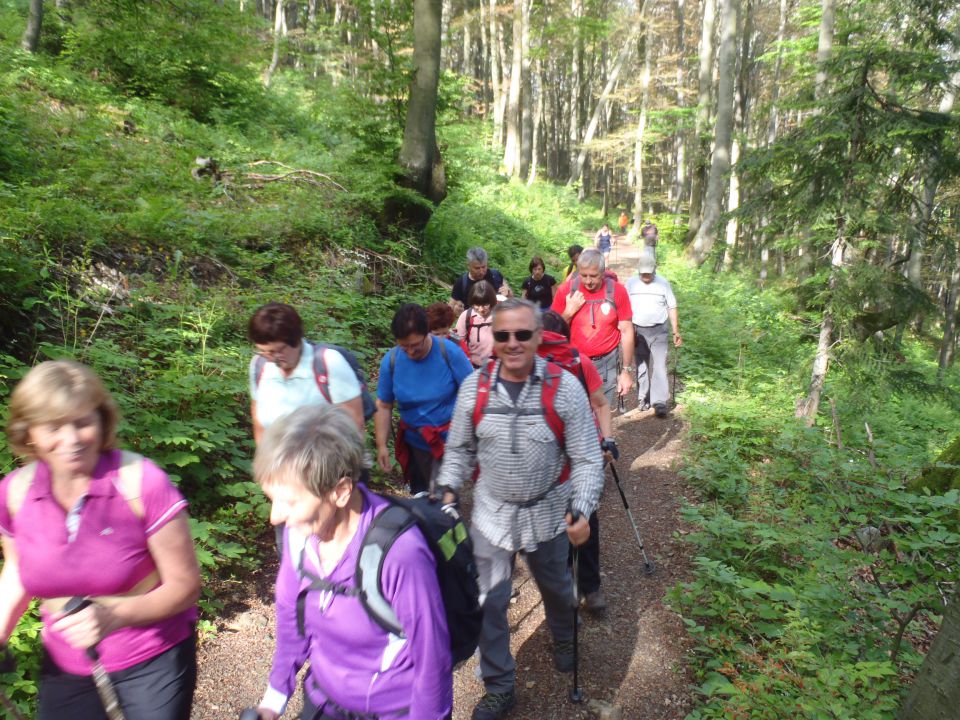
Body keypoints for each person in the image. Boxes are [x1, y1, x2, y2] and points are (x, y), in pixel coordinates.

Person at [0, 360, 200, 720]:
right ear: (29, 432)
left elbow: (185, 587)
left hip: (152, 659)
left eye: (83, 422)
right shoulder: (15, 494)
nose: (72, 440)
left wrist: (115, 616)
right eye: (54, 427)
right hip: (65, 667)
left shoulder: (142, 483)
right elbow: (17, 569)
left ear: (102, 421)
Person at [435, 299, 604, 720]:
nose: (512, 344)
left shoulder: (564, 387)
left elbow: (586, 458)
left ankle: (564, 634)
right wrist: (449, 488)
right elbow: (457, 448)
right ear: (493, 335)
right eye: (503, 334)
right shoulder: (474, 387)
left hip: (548, 512)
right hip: (491, 514)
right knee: (488, 601)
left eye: (522, 335)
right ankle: (499, 684)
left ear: (539, 337)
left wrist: (581, 508)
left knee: (558, 589)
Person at [250, 404, 452, 720]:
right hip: (324, 702)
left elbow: (432, 657)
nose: (275, 516)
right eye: (271, 498)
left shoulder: (399, 553)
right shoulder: (299, 535)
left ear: (341, 492)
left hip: (393, 711)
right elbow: (292, 619)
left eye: (289, 502)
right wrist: (274, 699)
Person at [538, 311, 616, 615]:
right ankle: (564, 586)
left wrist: (607, 440)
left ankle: (589, 587)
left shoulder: (579, 363)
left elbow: (600, 403)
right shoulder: (524, 367)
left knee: (586, 519)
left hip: (581, 451)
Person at [375, 304, 474, 494]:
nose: (410, 352)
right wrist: (382, 446)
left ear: (427, 333)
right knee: (420, 499)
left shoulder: (449, 353)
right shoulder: (392, 361)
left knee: (443, 502)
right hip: (415, 445)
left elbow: (473, 394)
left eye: (415, 345)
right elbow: (384, 405)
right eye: (404, 347)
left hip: (448, 444)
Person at [248, 303, 365, 443]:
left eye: (277, 351)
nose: (271, 358)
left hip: (326, 461)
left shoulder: (329, 363)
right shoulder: (259, 365)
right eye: (263, 351)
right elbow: (259, 425)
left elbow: (354, 424)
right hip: (277, 462)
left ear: (296, 340)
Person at [551, 248, 635, 409]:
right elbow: (551, 332)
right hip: (572, 363)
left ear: (603, 273)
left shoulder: (617, 291)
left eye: (593, 276)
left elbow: (626, 331)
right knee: (573, 414)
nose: (588, 281)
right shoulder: (565, 291)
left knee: (600, 413)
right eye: (583, 275)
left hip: (605, 364)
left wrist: (626, 371)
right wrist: (569, 312)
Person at [625, 250, 682, 418]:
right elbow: (624, 306)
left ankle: (659, 402)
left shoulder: (663, 283)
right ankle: (643, 398)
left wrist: (676, 330)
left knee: (659, 365)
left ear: (654, 270)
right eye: (643, 274)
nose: (646, 277)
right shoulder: (631, 283)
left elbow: (672, 306)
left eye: (649, 274)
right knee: (641, 365)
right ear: (638, 271)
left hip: (659, 330)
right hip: (638, 330)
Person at [450, 247, 512, 315]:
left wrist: (508, 292)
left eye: (484, 267)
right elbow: (450, 308)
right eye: (477, 268)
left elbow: (511, 299)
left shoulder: (495, 275)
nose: (481, 271)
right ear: (468, 266)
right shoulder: (461, 282)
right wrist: (456, 311)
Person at [456, 280, 498, 368]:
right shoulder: (466, 316)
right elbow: (459, 343)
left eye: (485, 305)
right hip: (472, 366)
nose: (481, 309)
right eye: (477, 305)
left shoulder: (500, 316)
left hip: (495, 366)